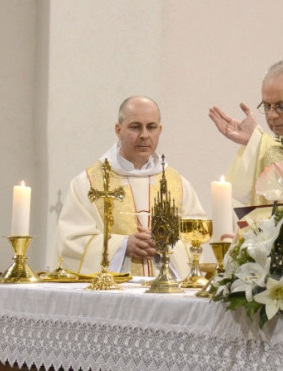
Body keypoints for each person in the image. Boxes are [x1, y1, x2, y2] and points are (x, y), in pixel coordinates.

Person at [56, 96, 211, 278]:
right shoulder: (88, 183)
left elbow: (195, 241)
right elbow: (71, 242)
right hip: (113, 292)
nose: (144, 135)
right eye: (135, 127)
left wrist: (165, 245)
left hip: (167, 291)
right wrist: (123, 246)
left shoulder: (178, 185)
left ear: (160, 130)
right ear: (118, 130)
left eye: (151, 127)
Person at [208, 59, 283, 205]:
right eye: (267, 106)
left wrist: (257, 140)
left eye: (281, 106)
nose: (271, 115)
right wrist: (254, 140)